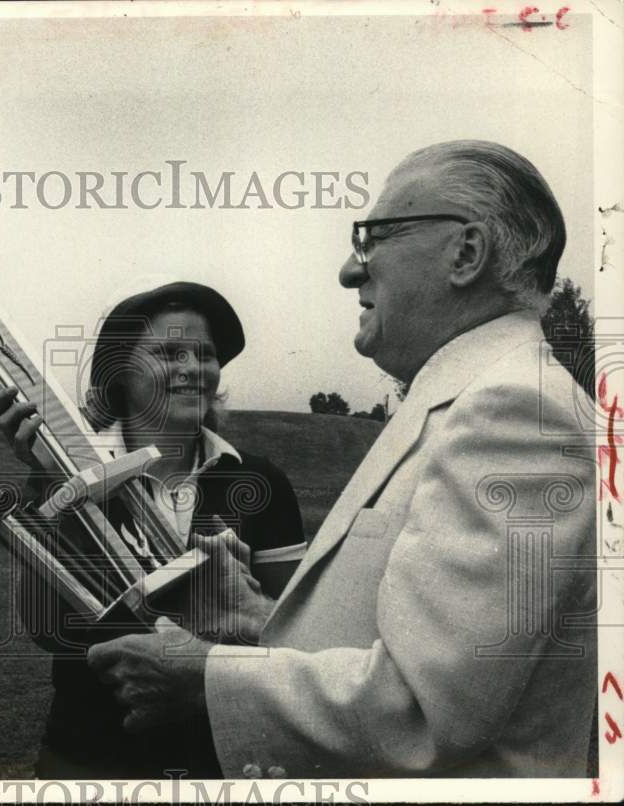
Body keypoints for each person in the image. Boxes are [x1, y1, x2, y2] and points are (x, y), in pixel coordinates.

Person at [88, 141, 597, 777]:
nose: (350, 271)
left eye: (373, 237)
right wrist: (256, 616)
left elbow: (426, 711)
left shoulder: (517, 412)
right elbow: (410, 645)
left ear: (465, 253)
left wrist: (205, 677)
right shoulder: (467, 401)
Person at [0, 278, 307, 778]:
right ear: (120, 373)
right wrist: (58, 487)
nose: (192, 369)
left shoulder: (258, 479)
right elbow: (49, 631)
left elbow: (295, 637)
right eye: (169, 352)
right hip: (90, 758)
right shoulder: (65, 474)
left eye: (204, 354)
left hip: (220, 760)